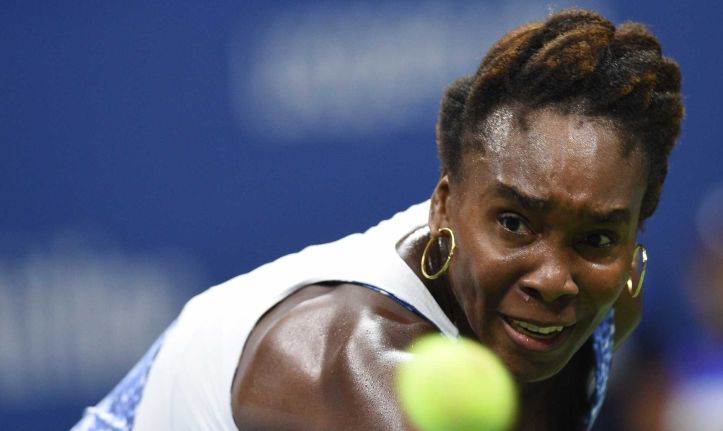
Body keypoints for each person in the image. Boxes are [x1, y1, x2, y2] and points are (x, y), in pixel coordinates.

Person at [73, 9, 683, 431]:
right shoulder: (346, 363)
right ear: (443, 205)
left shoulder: (605, 304)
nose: (554, 279)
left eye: (598, 239)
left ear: (633, 247)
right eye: (515, 225)